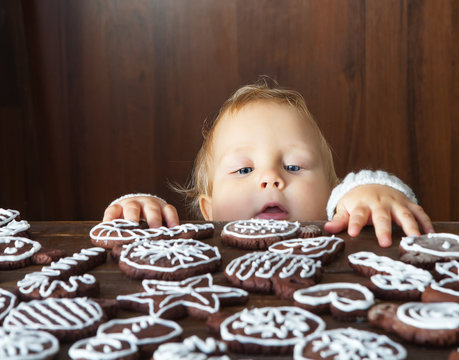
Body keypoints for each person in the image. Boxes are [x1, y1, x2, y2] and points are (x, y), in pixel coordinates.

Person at [103, 78, 433, 247]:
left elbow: (364, 195)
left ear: (333, 198)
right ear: (209, 210)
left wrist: (374, 191)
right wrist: (141, 213)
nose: (270, 179)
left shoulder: (343, 222)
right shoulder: (201, 249)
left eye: (293, 166)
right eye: (244, 170)